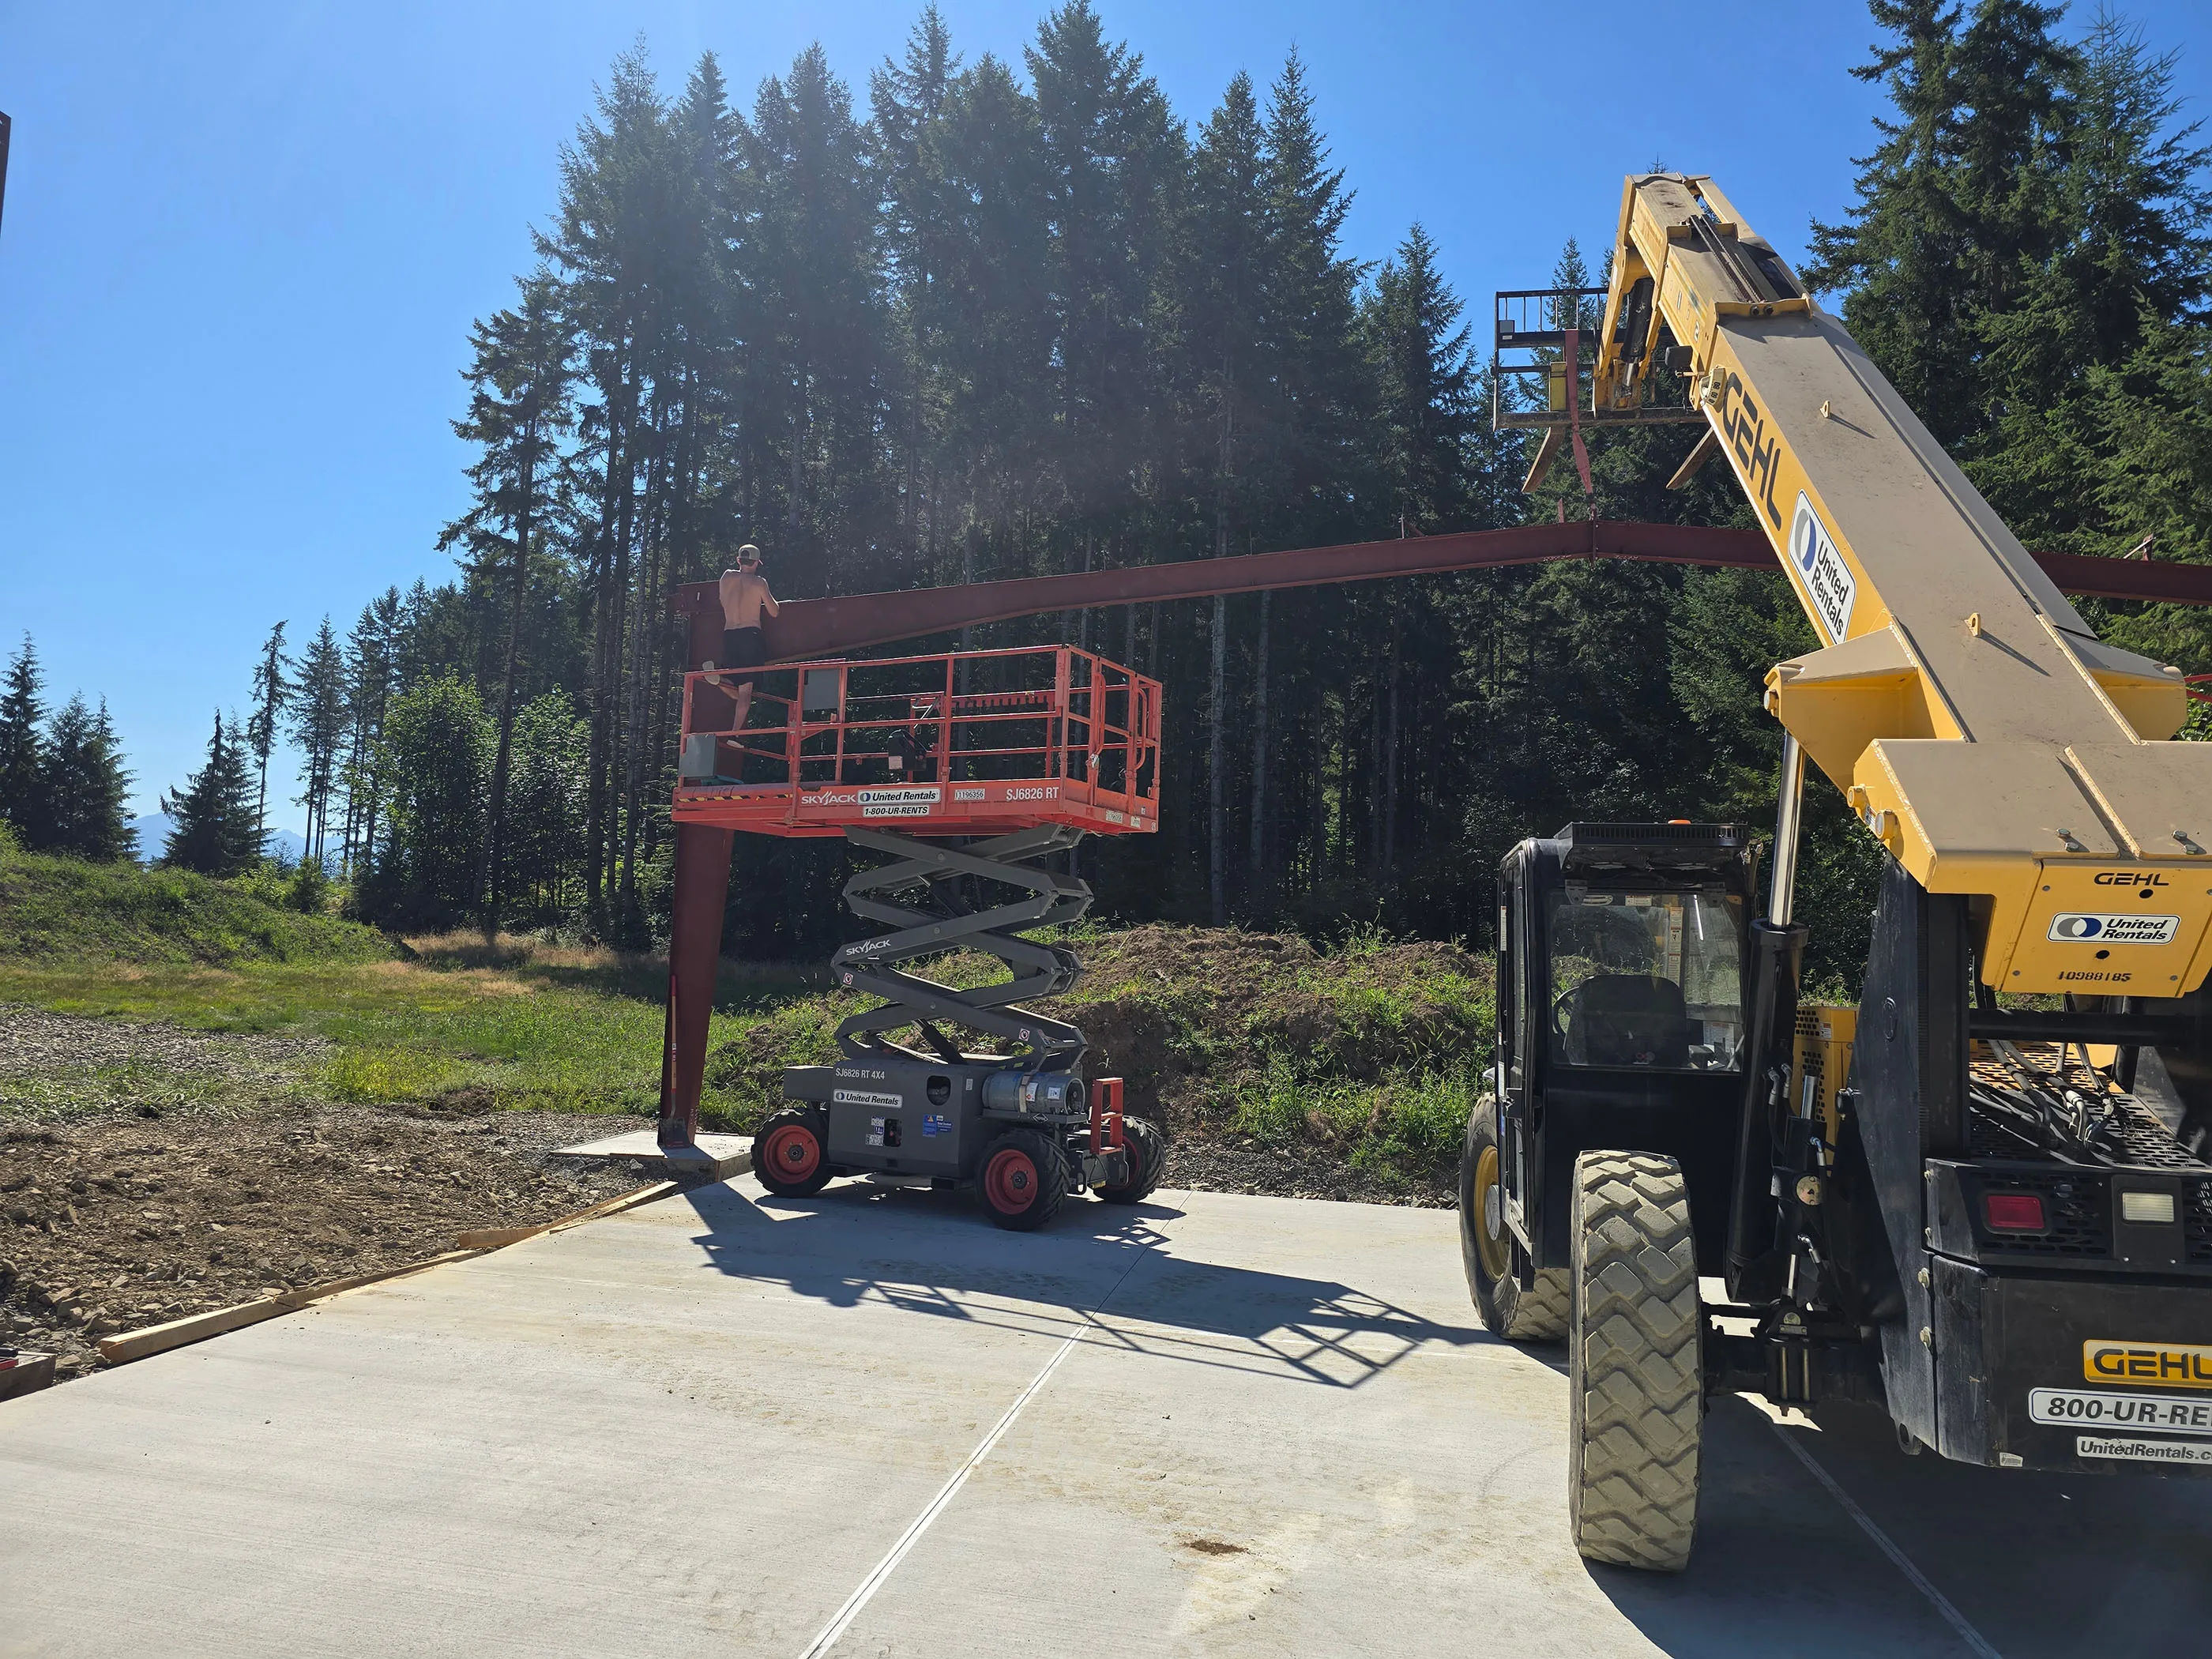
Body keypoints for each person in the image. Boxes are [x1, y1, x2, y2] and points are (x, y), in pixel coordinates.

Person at [708, 544, 780, 730]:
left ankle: (720, 681)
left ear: (739, 560)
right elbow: (774, 612)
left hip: (730, 634)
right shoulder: (758, 582)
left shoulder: (726, 577)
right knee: (747, 690)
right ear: (756, 563)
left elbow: (723, 601)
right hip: (750, 635)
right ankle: (735, 734)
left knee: (737, 687)